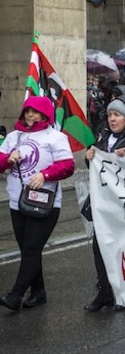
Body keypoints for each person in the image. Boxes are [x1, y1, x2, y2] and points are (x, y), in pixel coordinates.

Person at [0, 96, 75, 311]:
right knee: (28, 250)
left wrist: (45, 174)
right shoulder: (14, 137)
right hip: (17, 201)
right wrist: (8, 159)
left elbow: (68, 166)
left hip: (45, 203)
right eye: (27, 111)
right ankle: (39, 291)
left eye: (35, 112)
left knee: (32, 248)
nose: (30, 116)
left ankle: (15, 295)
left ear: (45, 114)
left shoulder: (56, 137)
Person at [84, 94, 125, 312]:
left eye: (118, 115)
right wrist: (90, 156)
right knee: (99, 248)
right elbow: (95, 167)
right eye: (110, 114)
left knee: (124, 250)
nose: (113, 119)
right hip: (104, 206)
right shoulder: (103, 138)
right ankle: (104, 293)